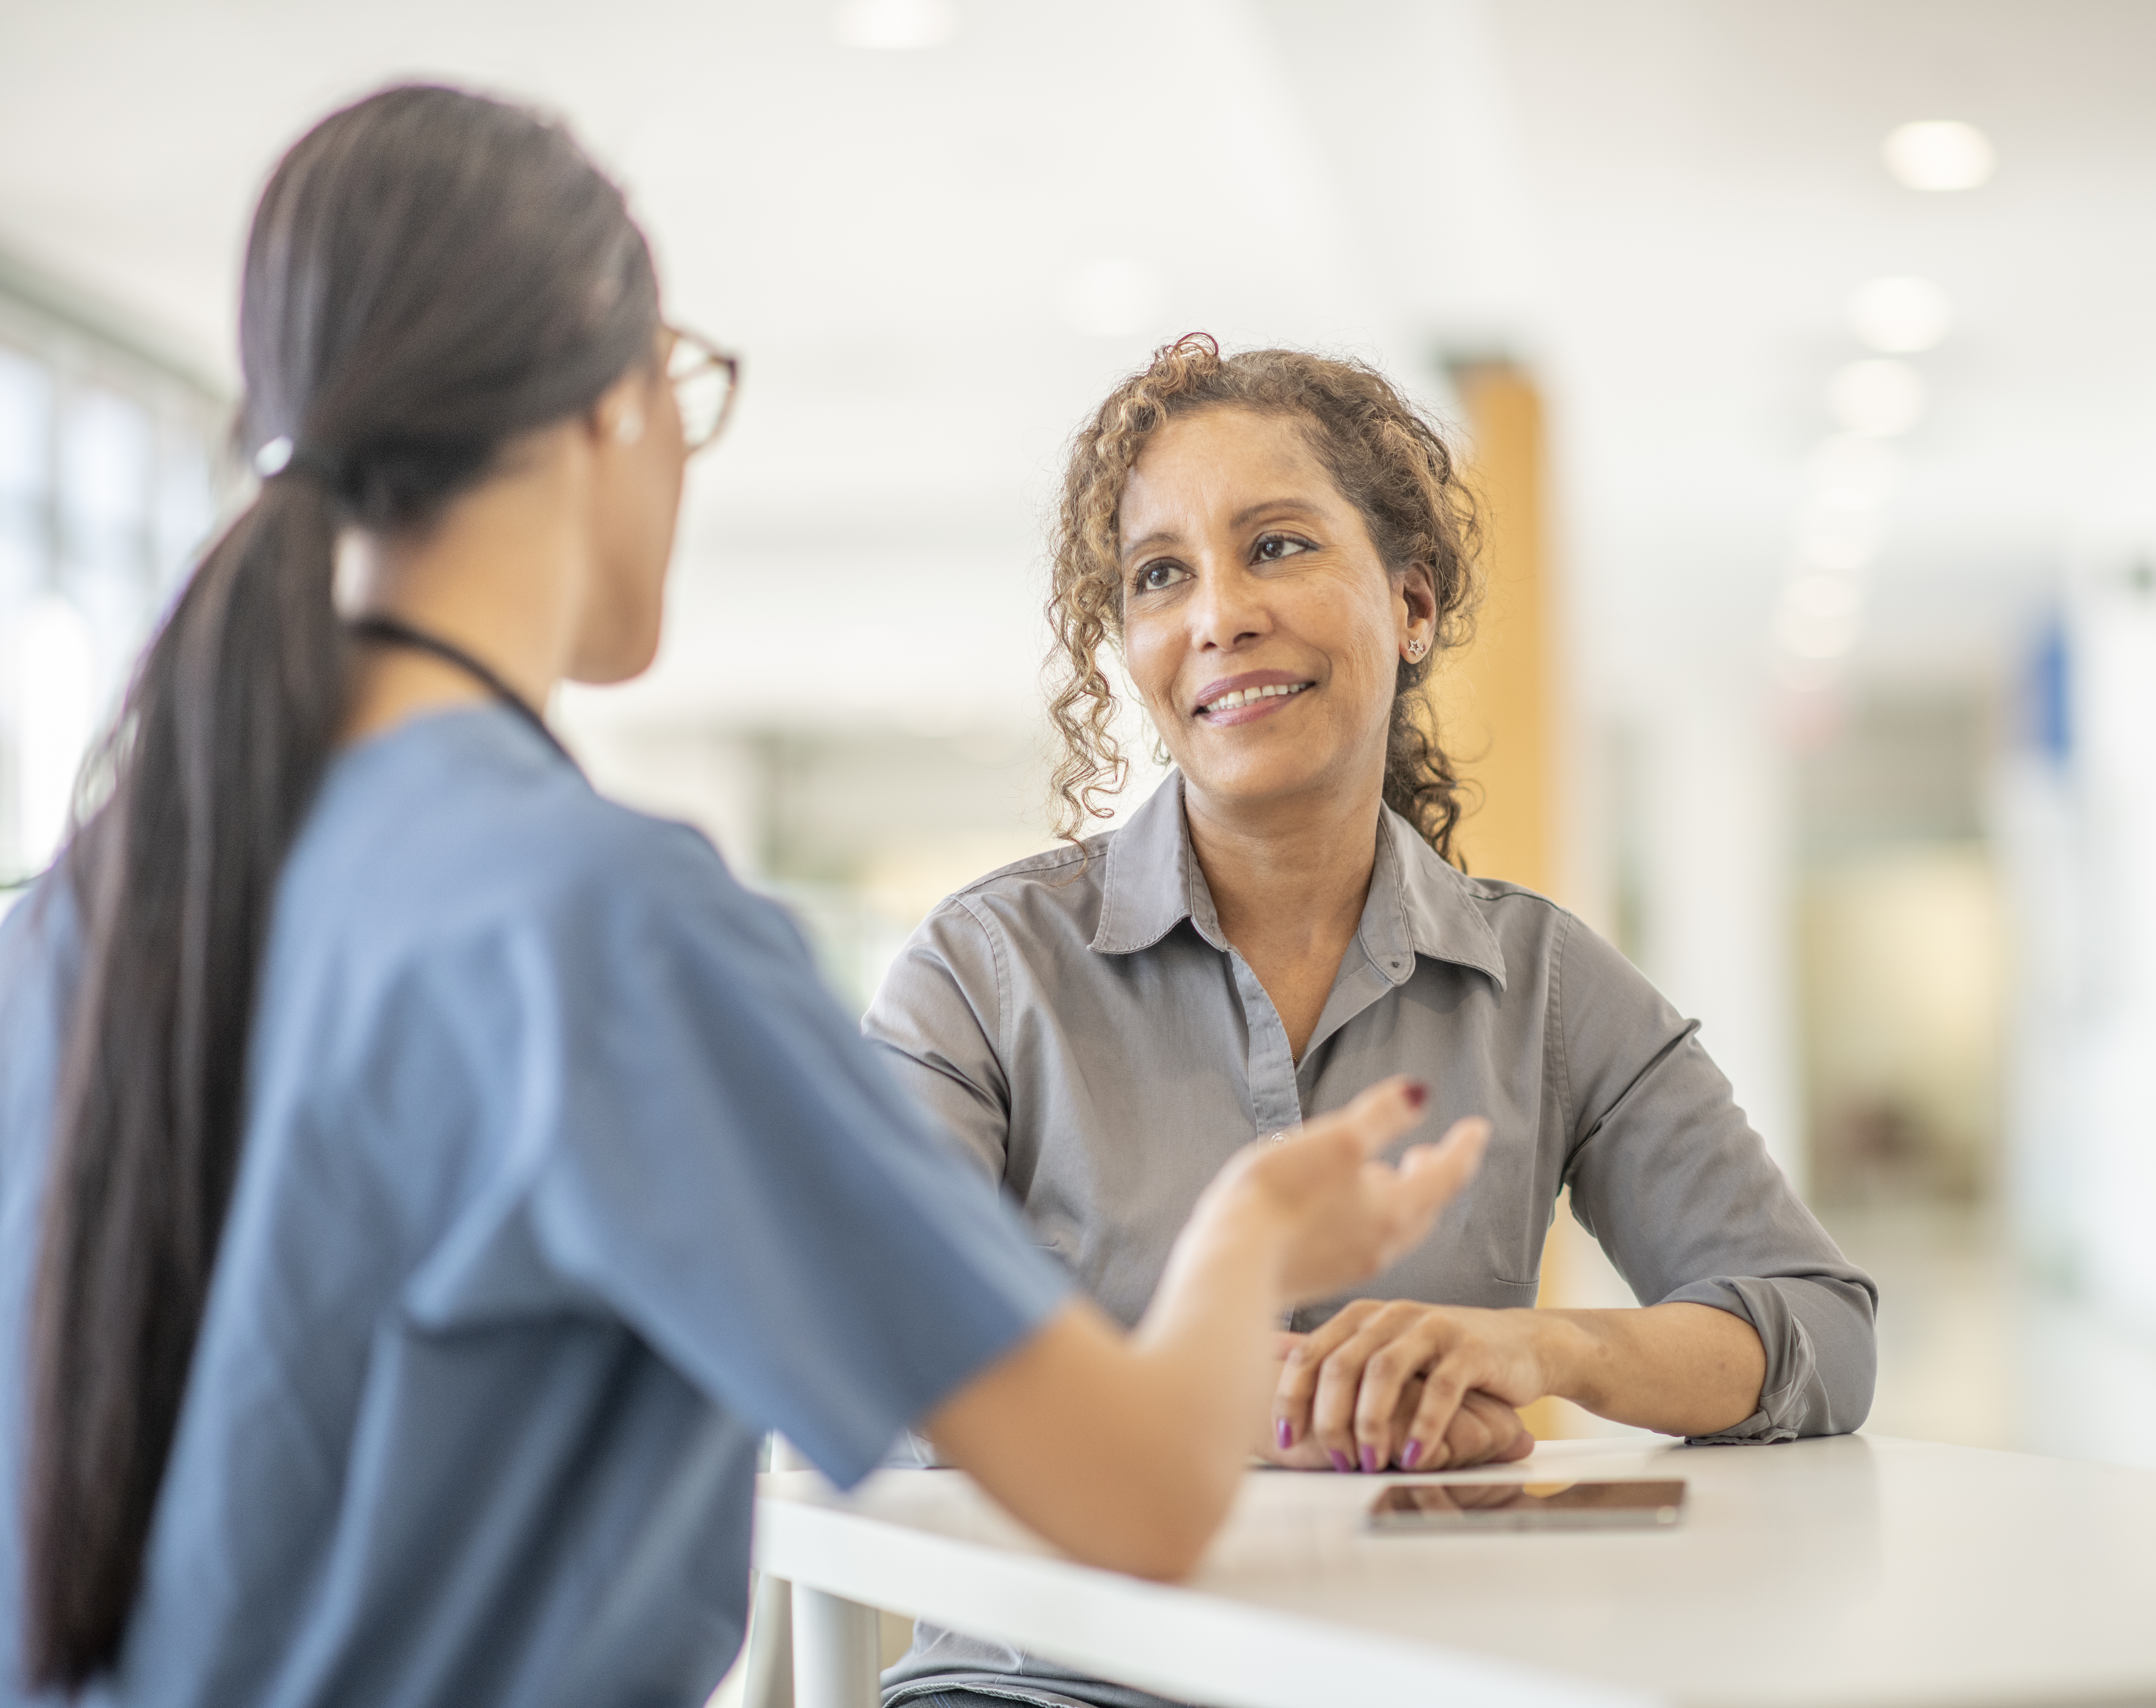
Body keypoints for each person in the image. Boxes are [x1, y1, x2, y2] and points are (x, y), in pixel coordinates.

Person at [0, 92, 1489, 1708]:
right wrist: (1262, 1232)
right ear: (610, 406)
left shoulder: (89, 917)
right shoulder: (605, 931)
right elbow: (1131, 1491)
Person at [866, 337, 1879, 1708]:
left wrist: (1549, 1350)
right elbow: (870, 1341)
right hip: (1051, 1684)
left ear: (1410, 602)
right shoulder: (982, 973)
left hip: (1429, 1673)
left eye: (1275, 545)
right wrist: (1273, 1403)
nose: (1218, 613)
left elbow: (1816, 1327)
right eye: (1161, 573)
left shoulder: (1550, 984)